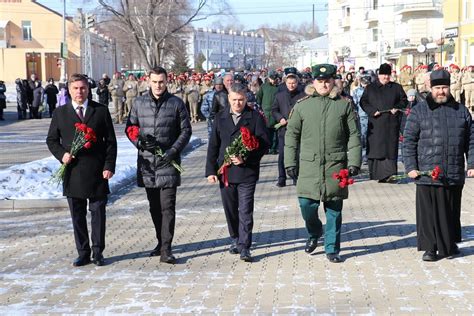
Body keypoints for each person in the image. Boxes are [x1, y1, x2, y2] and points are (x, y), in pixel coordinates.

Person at [285, 64, 361, 263]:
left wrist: (354, 161)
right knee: (306, 205)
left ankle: (332, 249)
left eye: (327, 80)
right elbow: (291, 136)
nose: (324, 84)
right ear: (313, 82)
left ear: (333, 81)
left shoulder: (343, 105)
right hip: (309, 165)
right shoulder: (302, 106)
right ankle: (314, 232)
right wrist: (289, 163)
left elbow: (353, 135)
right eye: (320, 81)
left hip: (335, 165)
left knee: (334, 210)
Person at [46, 73, 117, 267]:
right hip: (73, 171)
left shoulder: (100, 111)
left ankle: (97, 252)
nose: (80, 92)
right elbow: (51, 140)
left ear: (88, 90)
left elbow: (111, 142)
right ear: (69, 90)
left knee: (98, 213)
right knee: (77, 214)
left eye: (83, 88)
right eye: (76, 88)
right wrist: (62, 155)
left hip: (97, 172)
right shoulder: (60, 113)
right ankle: (83, 252)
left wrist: (109, 166)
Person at [403, 69, 474, 261]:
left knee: (451, 210)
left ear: (449, 88)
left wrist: (472, 163)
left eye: (444, 87)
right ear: (430, 88)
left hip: (453, 169)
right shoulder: (419, 111)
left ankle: (449, 244)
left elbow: (471, 140)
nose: (441, 91)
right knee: (428, 213)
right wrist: (410, 166)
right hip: (427, 172)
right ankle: (430, 247)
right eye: (437, 88)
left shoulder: (461, 111)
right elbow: (408, 140)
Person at [126, 66, 192, 264]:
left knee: (167, 207)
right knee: (154, 207)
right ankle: (160, 241)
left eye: (161, 82)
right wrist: (139, 142)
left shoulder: (176, 103)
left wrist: (173, 151)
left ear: (167, 82)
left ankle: (166, 249)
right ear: (148, 81)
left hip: (168, 162)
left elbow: (186, 131)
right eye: (154, 82)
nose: (158, 86)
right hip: (147, 163)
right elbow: (130, 127)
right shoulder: (138, 103)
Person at [205, 83, 269, 262]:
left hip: (246, 172)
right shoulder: (220, 117)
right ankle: (234, 238)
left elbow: (264, 144)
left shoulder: (254, 117)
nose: (238, 103)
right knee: (230, 209)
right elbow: (213, 146)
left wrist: (246, 157)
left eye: (241, 100)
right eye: (234, 100)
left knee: (245, 210)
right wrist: (210, 170)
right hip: (225, 172)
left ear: (246, 98)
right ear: (228, 99)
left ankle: (245, 246)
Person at [360, 63, 407, 182]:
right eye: (383, 75)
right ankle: (377, 175)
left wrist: (396, 107)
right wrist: (372, 111)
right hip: (375, 123)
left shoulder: (396, 87)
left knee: (390, 149)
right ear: (379, 75)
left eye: (388, 75)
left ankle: (390, 175)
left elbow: (404, 100)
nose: (386, 77)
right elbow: (363, 102)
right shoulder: (370, 88)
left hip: (391, 123)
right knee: (377, 148)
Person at [271, 71, 305, 187]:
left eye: (294, 83)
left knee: (297, 153)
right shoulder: (280, 96)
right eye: (289, 83)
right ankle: (282, 178)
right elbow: (274, 110)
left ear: (297, 83)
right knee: (283, 155)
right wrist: (280, 118)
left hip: (298, 130)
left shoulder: (303, 95)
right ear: (286, 83)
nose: (291, 85)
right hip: (283, 130)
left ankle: (296, 176)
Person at [256, 70, 280, 154]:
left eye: (275, 78)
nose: (273, 80)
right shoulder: (264, 86)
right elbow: (259, 97)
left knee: (274, 132)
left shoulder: (278, 88)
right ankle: (266, 148)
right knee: (265, 131)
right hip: (265, 112)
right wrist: (260, 108)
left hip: (275, 112)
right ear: (269, 78)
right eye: (272, 78)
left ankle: (273, 148)